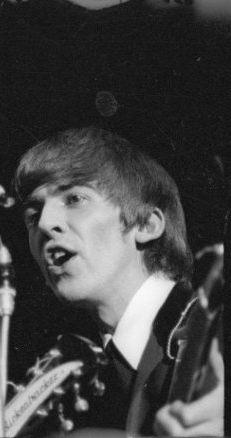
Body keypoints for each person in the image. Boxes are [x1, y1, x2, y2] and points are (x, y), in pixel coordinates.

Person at [12, 126, 224, 436]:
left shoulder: (216, 332)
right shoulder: (75, 389)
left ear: (147, 224)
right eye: (33, 214)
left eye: (74, 199)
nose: (45, 224)